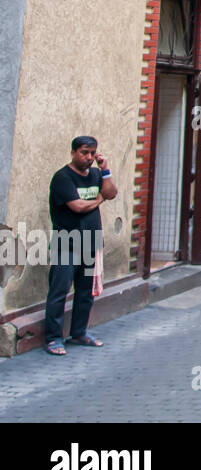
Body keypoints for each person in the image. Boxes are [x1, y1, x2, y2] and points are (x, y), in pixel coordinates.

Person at [44, 136, 116, 355]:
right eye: (85, 152)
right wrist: (99, 199)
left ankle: (78, 333)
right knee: (59, 291)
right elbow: (77, 206)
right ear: (73, 152)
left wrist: (106, 170)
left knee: (85, 292)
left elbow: (111, 192)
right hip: (67, 243)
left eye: (93, 153)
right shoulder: (62, 178)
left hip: (91, 241)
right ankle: (54, 339)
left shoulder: (96, 174)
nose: (89, 158)